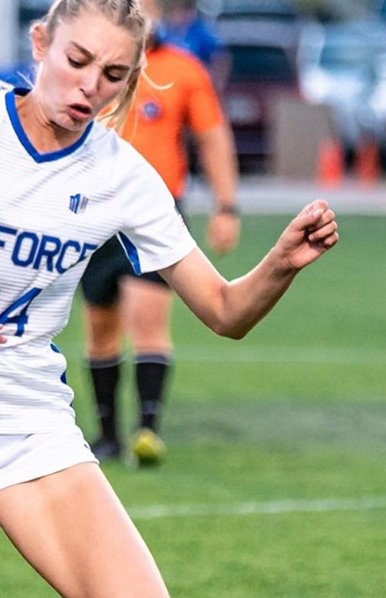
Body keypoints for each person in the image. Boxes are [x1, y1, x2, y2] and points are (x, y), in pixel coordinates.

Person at [0, 1, 339, 598]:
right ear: (41, 43)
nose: (89, 85)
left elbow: (224, 311)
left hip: (27, 422)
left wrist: (280, 264)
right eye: (76, 60)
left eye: (112, 74)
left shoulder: (124, 176)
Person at [80, 0, 239, 465]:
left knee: (148, 319)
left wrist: (225, 206)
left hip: (154, 217)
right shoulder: (92, 70)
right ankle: (107, 434)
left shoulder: (183, 70)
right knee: (100, 326)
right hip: (90, 214)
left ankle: (148, 430)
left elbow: (212, 136)